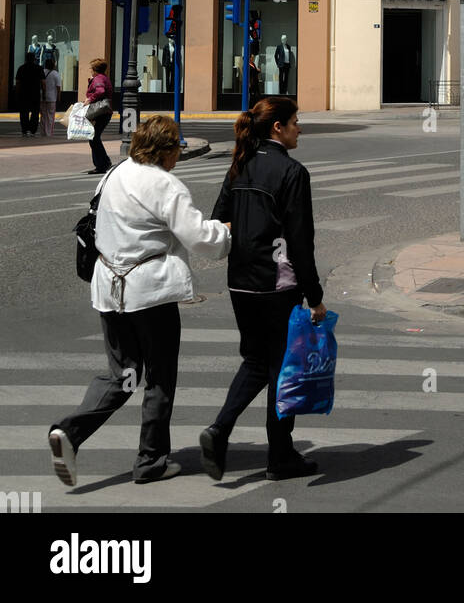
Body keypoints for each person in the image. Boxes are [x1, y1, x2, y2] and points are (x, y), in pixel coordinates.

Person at [48, 117, 231, 487]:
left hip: (109, 290)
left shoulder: (114, 174)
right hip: (150, 295)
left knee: (124, 375)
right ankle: (150, 461)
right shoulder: (165, 185)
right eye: (177, 147)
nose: (179, 154)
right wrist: (224, 233)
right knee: (160, 378)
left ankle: (70, 432)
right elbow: (199, 238)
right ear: (165, 150)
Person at [201, 96, 326, 483]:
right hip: (278, 286)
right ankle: (280, 457)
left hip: (241, 282)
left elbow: (218, 220)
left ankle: (220, 429)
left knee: (256, 362)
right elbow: (300, 241)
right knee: (282, 370)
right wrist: (315, 295)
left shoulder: (239, 166)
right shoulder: (292, 172)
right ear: (278, 128)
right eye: (295, 122)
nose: (299, 129)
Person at [85, 58, 114, 175]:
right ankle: (104, 162)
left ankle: (102, 164)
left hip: (100, 112)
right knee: (94, 137)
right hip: (103, 112)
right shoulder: (102, 78)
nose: (90, 70)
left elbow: (100, 91)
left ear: (95, 70)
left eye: (91, 68)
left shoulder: (98, 79)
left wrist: (89, 99)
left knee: (94, 138)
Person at [15, 55, 42, 136]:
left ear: (26, 59)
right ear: (34, 59)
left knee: (24, 113)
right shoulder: (39, 68)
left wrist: (17, 93)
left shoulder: (21, 68)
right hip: (35, 94)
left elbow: (17, 82)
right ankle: (32, 131)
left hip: (23, 94)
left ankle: (24, 130)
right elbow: (43, 82)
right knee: (35, 113)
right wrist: (44, 93)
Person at [39, 63, 63, 137]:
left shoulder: (42, 72)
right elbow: (58, 87)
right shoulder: (55, 74)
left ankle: (42, 132)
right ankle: (48, 133)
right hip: (52, 98)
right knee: (50, 116)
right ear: (53, 66)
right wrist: (59, 97)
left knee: (43, 116)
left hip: (42, 97)